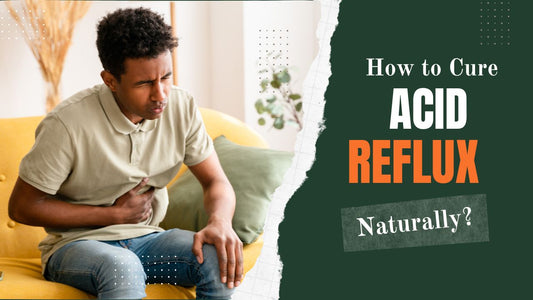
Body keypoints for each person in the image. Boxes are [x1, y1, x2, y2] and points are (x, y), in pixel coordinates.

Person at [8, 7, 243, 299]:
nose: (160, 95)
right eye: (144, 83)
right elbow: (22, 207)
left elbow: (216, 182)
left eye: (166, 77)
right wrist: (112, 214)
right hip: (75, 249)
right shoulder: (67, 124)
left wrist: (219, 222)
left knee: (214, 254)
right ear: (110, 80)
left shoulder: (181, 107)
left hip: (148, 244)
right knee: (122, 266)